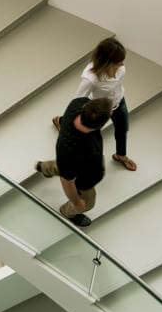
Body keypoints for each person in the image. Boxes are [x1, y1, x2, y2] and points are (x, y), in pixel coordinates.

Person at [53, 37, 137, 171]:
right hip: (99, 110)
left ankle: (121, 155)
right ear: (107, 61)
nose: (122, 64)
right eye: (118, 62)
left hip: (119, 102)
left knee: (122, 129)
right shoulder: (91, 79)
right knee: (88, 138)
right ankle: (61, 122)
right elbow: (77, 101)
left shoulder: (120, 68)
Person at [36, 96, 111, 227]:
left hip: (73, 164)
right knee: (88, 203)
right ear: (101, 125)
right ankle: (66, 212)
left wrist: (62, 123)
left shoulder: (79, 103)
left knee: (63, 167)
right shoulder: (71, 151)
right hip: (83, 180)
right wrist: (76, 202)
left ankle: (44, 167)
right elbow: (67, 183)